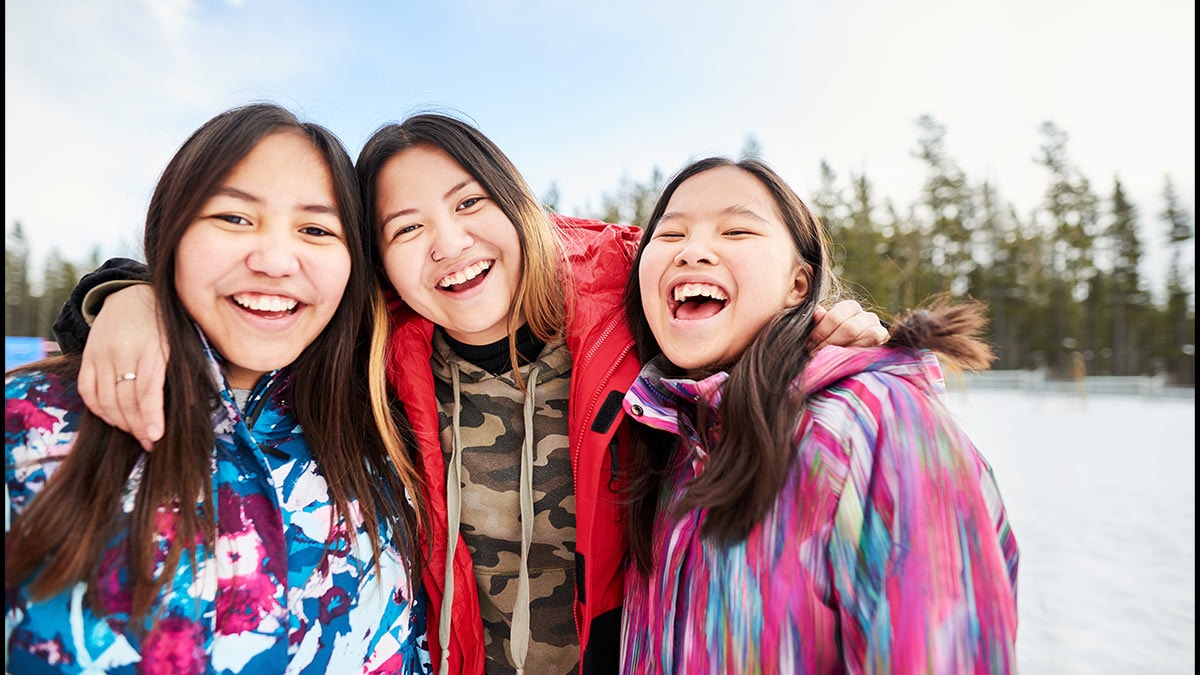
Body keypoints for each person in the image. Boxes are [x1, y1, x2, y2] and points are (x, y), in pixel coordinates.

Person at [51, 113, 890, 675]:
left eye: (468, 203)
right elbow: (257, 294)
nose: (447, 243)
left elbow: (725, 277)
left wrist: (813, 326)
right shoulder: (376, 349)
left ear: (518, 204)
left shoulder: (627, 297)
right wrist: (125, 294)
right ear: (380, 260)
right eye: (406, 228)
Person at [5, 103, 430, 674]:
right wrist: (129, 293)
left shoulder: (389, 438)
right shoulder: (27, 427)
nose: (275, 261)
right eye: (234, 218)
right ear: (172, 231)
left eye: (315, 229)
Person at [618, 157, 1020, 673]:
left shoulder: (873, 424)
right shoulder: (663, 435)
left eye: (736, 231)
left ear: (799, 286)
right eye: (670, 235)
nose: (692, 250)